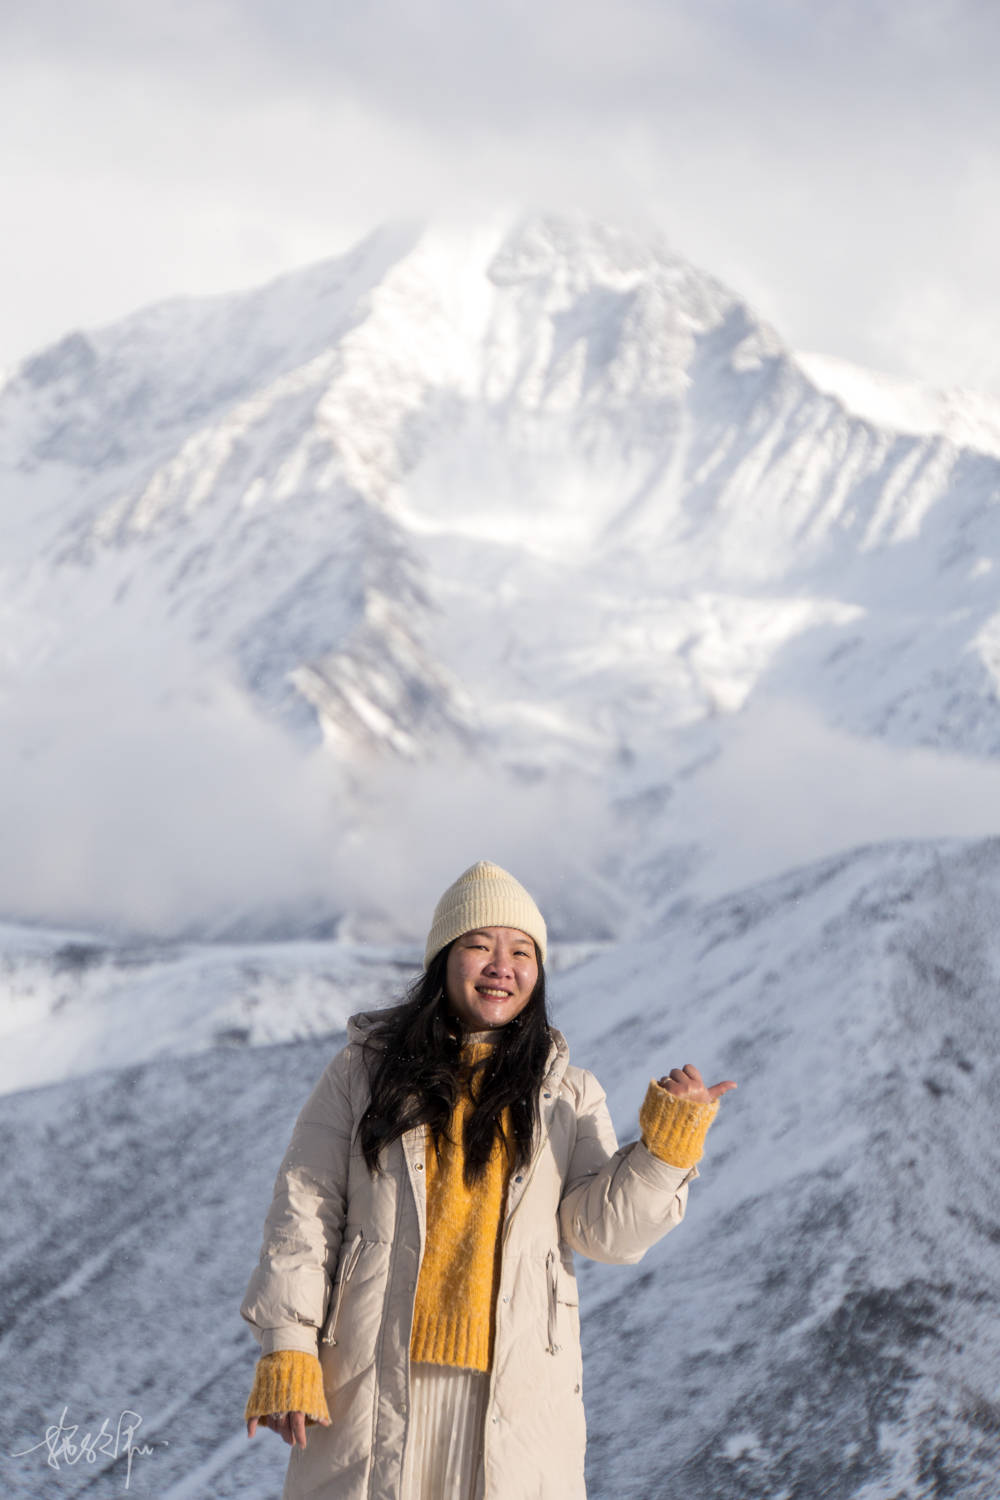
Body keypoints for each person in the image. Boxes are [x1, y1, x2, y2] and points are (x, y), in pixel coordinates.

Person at [241, 860, 735, 1499]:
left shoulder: (569, 1095)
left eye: (522, 951)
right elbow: (304, 1208)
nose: (502, 965)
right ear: (445, 961)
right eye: (480, 945)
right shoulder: (362, 1074)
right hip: (372, 1384)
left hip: (515, 1398)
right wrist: (288, 1344)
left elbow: (607, 1234)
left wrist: (666, 1150)